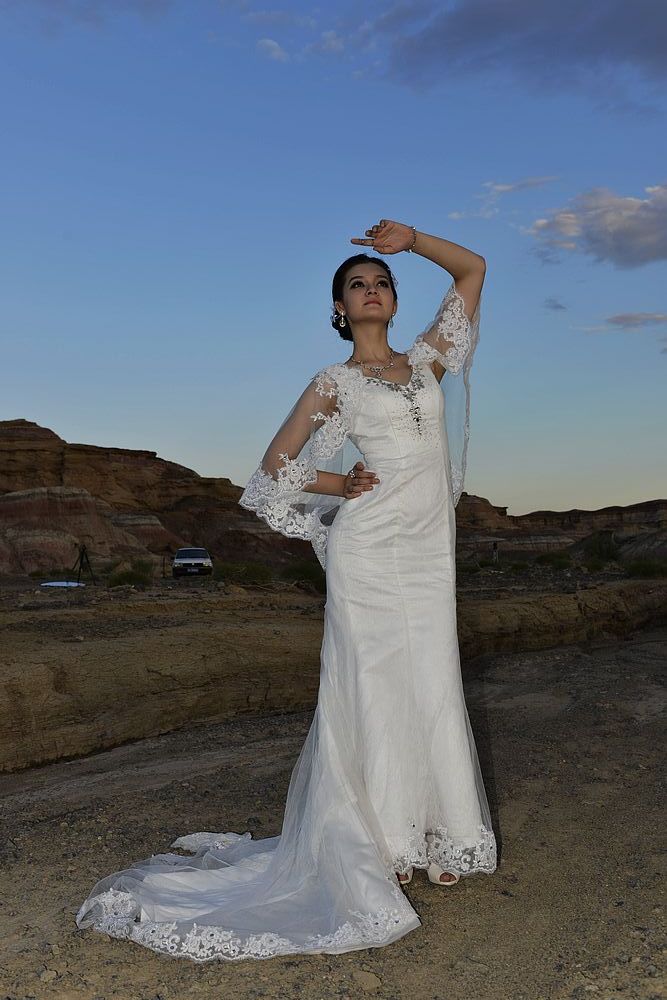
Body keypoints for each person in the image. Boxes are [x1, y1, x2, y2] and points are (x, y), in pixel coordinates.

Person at [75, 219, 497, 962]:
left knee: (431, 675)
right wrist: (339, 482)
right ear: (340, 309)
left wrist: (412, 241)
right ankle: (385, 841)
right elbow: (273, 468)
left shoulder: (427, 362)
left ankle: (441, 830)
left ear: (394, 300)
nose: (371, 290)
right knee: (371, 683)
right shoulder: (333, 382)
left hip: (428, 551)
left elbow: (472, 270)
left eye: (380, 282)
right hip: (368, 549)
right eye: (357, 285)